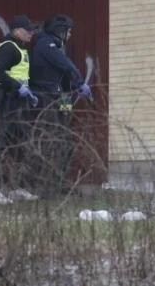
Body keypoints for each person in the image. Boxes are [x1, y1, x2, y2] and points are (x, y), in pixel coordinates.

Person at [28, 13, 92, 197]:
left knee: (64, 143)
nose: (70, 35)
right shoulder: (46, 45)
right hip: (46, 99)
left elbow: (55, 77)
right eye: (68, 31)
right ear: (59, 30)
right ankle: (48, 187)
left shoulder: (51, 46)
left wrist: (73, 87)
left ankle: (61, 183)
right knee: (52, 142)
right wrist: (79, 82)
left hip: (53, 97)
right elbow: (65, 65)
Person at [0, 15, 40, 204]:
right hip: (8, 101)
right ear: (17, 31)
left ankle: (17, 187)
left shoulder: (20, 48)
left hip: (20, 102)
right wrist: (18, 87)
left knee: (21, 146)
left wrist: (28, 93)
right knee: (1, 144)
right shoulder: (8, 47)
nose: (32, 33)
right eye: (28, 30)